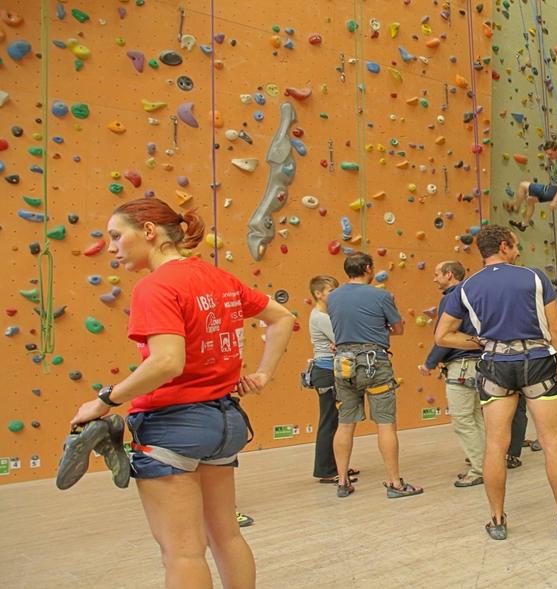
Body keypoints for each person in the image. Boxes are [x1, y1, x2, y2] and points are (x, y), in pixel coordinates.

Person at [68, 198, 295, 588]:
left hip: (173, 426)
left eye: (117, 236)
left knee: (183, 551)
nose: (111, 247)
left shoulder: (154, 287)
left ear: (150, 232)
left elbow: (167, 362)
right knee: (226, 535)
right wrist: (262, 375)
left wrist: (105, 400)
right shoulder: (219, 278)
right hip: (223, 423)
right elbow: (283, 317)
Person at [435, 224, 557, 541]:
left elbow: (442, 335)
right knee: (552, 443)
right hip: (537, 364)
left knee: (495, 445)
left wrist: (480, 343)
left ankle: (496, 520)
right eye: (515, 244)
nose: (518, 249)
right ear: (504, 246)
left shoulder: (465, 288)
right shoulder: (534, 277)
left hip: (495, 367)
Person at [328, 252, 422, 499]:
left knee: (345, 424)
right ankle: (394, 482)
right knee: (385, 424)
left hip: (343, 363)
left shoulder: (332, 297)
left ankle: (341, 481)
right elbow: (398, 329)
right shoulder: (381, 295)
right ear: (368, 268)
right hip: (374, 362)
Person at [420, 261, 485, 488]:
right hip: (479, 364)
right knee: (476, 417)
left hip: (462, 367)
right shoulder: (474, 294)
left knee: (463, 420)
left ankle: (479, 469)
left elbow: (445, 336)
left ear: (449, 275)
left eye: (437, 275)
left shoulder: (451, 297)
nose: (435, 279)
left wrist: (429, 362)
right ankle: (486, 463)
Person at [307, 275, 360, 485]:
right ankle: (326, 470)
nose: (335, 294)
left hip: (330, 369)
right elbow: (344, 338)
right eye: (331, 291)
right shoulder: (321, 317)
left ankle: (338, 465)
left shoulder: (327, 314)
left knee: (337, 420)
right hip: (327, 371)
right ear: (318, 294)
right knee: (329, 421)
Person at [506, 140, 557, 232]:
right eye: (547, 154)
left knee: (523, 185)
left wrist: (555, 200)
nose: (548, 156)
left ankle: (515, 207)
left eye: (550, 154)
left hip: (554, 190)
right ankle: (524, 224)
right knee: (530, 200)